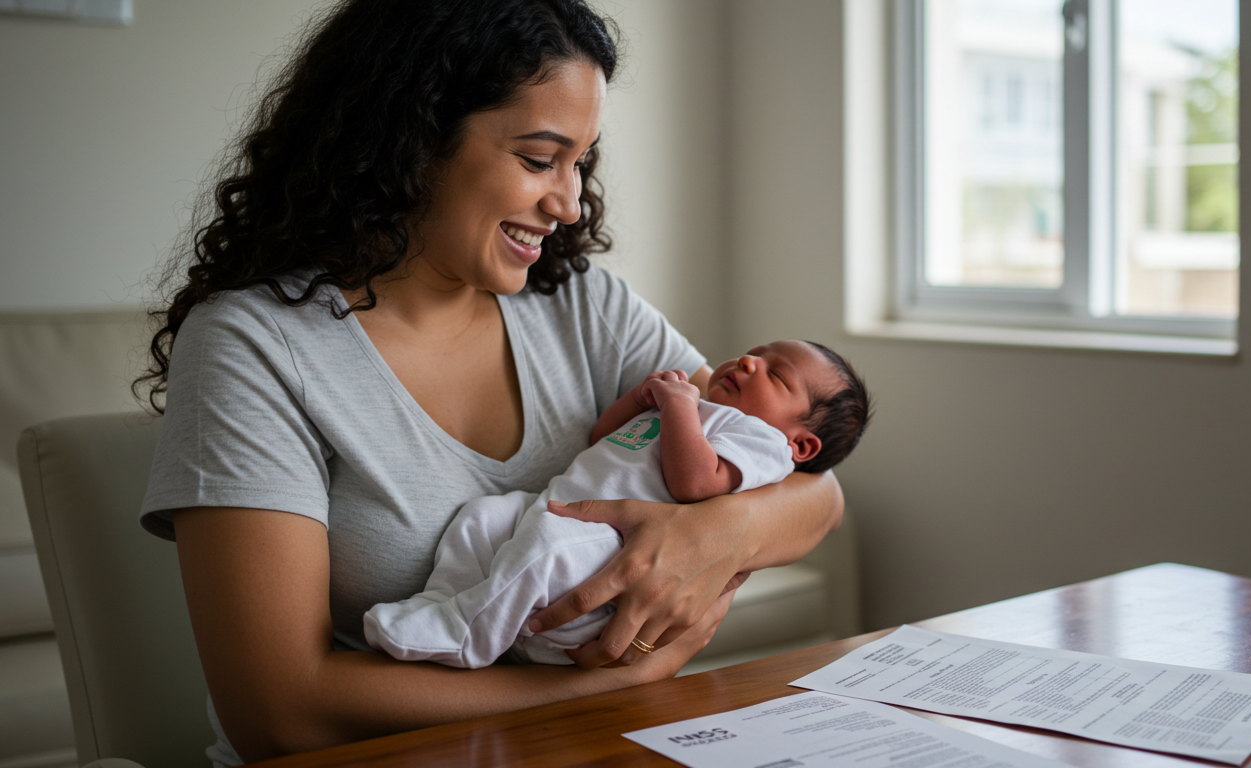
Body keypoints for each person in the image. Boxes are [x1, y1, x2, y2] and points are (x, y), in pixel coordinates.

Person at [132, 1, 843, 765]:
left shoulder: (582, 305)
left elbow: (816, 491)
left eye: (581, 163)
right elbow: (279, 716)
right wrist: (612, 683)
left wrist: (712, 533)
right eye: (540, 160)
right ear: (410, 139)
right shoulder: (254, 345)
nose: (569, 203)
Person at [364, 340, 872, 669]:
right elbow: (604, 438)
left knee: (545, 548)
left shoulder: (759, 442)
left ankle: (469, 634)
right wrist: (641, 399)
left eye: (776, 377)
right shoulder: (698, 405)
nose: (748, 362)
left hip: (607, 557)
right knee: (481, 518)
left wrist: (679, 406)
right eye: (754, 353)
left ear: (801, 444)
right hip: (558, 512)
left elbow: (697, 484)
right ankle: (445, 602)